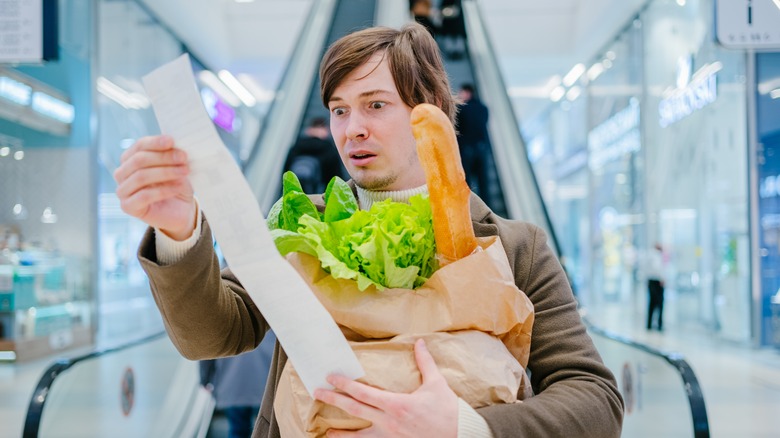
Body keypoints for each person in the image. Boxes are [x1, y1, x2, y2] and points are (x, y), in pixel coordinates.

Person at [113, 22, 623, 438]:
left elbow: (595, 399)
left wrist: (466, 427)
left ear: (433, 112)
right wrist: (179, 231)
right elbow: (214, 334)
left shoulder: (515, 246)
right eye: (339, 110)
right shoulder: (301, 225)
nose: (351, 127)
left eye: (376, 105)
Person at [200, 332, 275, 438]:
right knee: (269, 429)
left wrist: (205, 379)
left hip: (231, 385)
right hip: (266, 384)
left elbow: (206, 348)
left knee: (238, 430)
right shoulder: (271, 318)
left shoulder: (222, 319)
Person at [283, 116, 344, 194]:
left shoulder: (296, 147)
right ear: (325, 131)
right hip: (318, 195)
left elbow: (286, 172)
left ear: (308, 130)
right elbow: (336, 178)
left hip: (295, 194)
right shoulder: (329, 149)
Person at [455, 83, 491, 201]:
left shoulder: (462, 109)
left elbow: (458, 128)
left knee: (467, 181)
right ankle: (487, 207)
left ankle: (470, 207)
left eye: (461, 92)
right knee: (483, 182)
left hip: (466, 150)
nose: (460, 95)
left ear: (468, 92)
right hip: (481, 148)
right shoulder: (483, 108)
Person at [646, 243, 666, 331]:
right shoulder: (656, 255)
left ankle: (649, 324)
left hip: (650, 281)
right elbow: (657, 268)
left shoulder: (648, 255)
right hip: (657, 282)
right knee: (659, 304)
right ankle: (659, 325)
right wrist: (662, 278)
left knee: (651, 303)